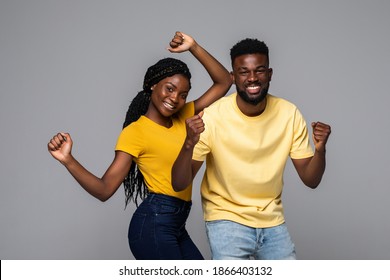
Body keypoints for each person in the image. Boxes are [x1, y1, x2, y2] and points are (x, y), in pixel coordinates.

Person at [47, 31, 232, 260]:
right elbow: (104, 190)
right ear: (153, 86)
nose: (175, 99)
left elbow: (225, 80)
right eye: (170, 88)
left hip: (177, 223)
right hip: (153, 225)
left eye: (183, 94)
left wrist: (193, 46)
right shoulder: (135, 132)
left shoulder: (184, 115)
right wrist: (68, 160)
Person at [172, 38, 332, 260]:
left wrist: (320, 150)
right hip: (226, 218)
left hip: (273, 221)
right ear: (234, 76)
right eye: (244, 72)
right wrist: (189, 143)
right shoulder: (213, 116)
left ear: (270, 74)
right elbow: (180, 183)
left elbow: (310, 179)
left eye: (260, 70)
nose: (253, 78)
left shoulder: (289, 113)